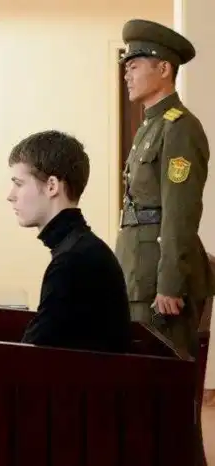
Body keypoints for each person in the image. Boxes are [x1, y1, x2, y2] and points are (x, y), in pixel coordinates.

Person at [114, 19, 215, 357]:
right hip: (138, 272)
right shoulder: (150, 126)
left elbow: (180, 211)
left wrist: (170, 283)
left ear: (163, 68)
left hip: (159, 282)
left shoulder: (179, 128)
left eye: (134, 66)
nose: (127, 75)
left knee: (161, 372)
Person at [7, 130, 131, 353]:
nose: (11, 195)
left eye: (19, 183)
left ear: (52, 186)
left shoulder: (73, 261)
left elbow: (29, 357)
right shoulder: (80, 248)